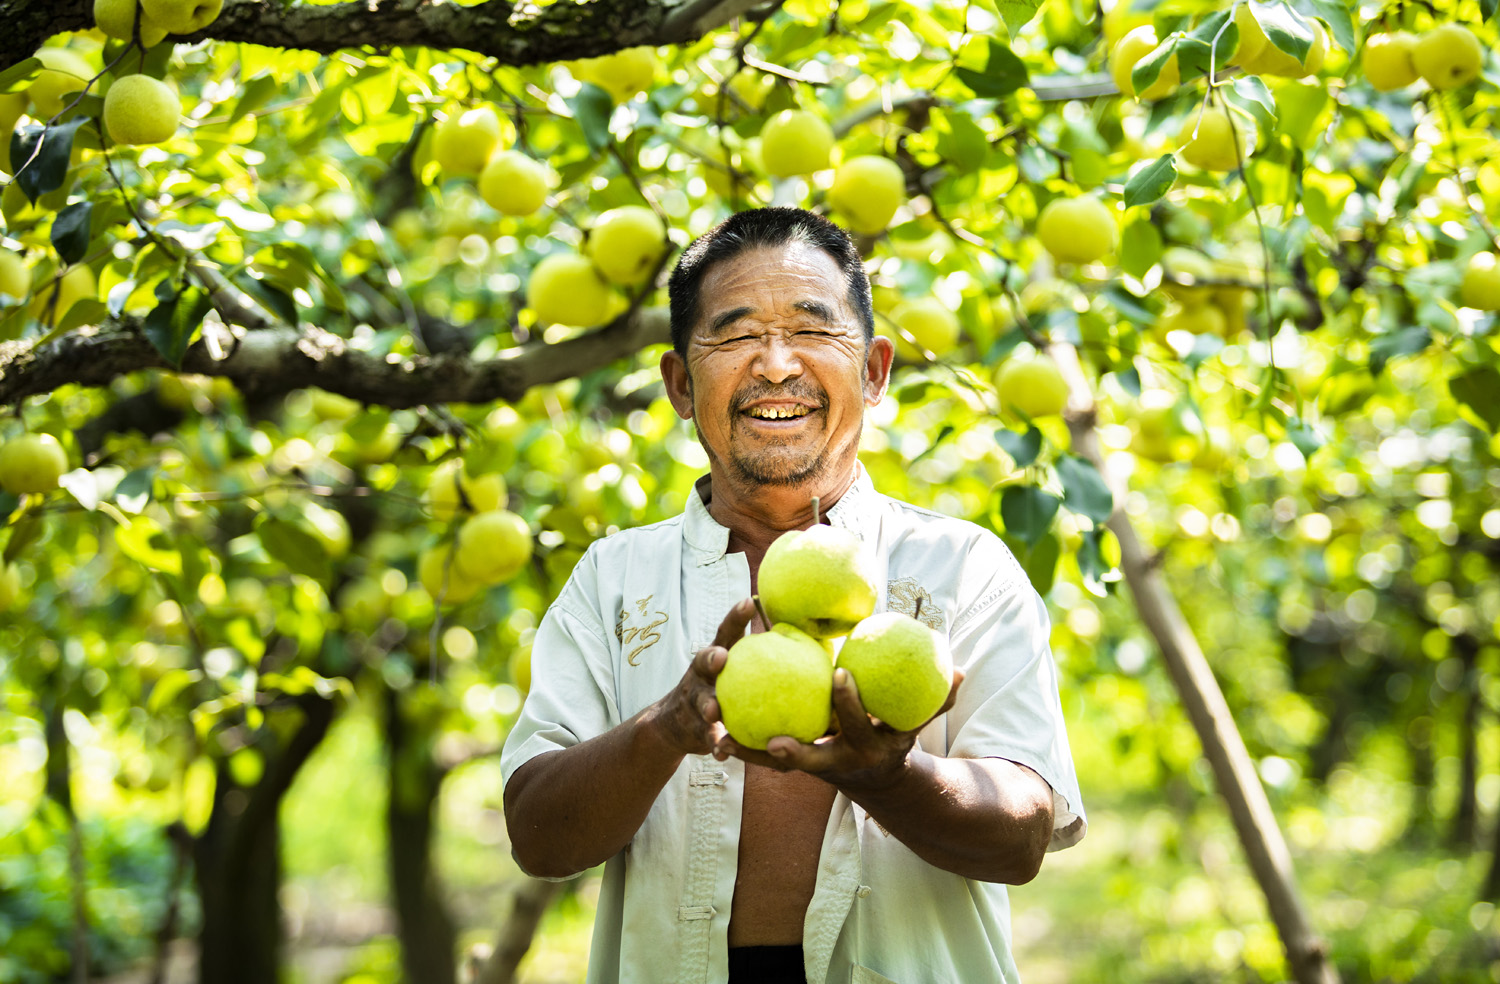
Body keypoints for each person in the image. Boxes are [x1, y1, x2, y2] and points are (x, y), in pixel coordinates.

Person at [501, 207, 1085, 984]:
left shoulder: (964, 569)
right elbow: (538, 838)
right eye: (737, 335)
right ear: (680, 383)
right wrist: (667, 727)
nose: (776, 366)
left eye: (813, 329)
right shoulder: (614, 581)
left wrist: (886, 775)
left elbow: (1020, 839)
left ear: (874, 372)